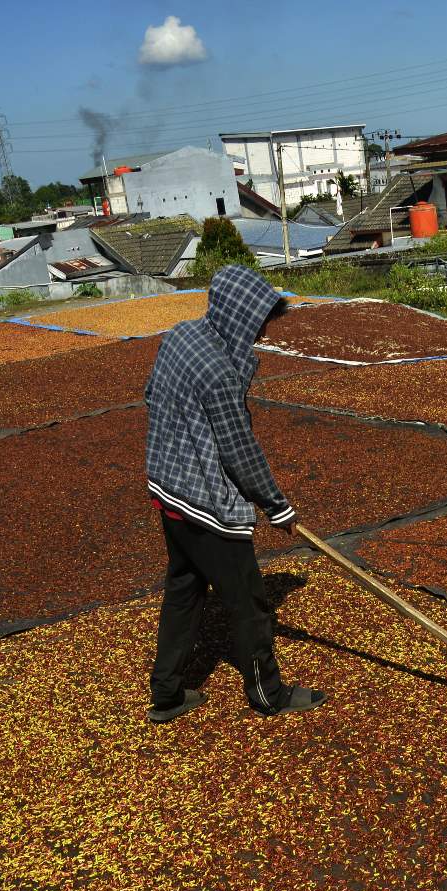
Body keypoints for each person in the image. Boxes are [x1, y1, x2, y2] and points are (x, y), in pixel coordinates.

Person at [143, 265, 326, 723]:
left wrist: (183, 439)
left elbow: (151, 395)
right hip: (202, 502)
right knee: (249, 602)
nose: (264, 330)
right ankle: (268, 694)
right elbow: (239, 451)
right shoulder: (220, 370)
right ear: (240, 315)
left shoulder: (182, 335)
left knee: (184, 588)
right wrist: (276, 505)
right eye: (261, 319)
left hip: (166, 488)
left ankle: (166, 694)